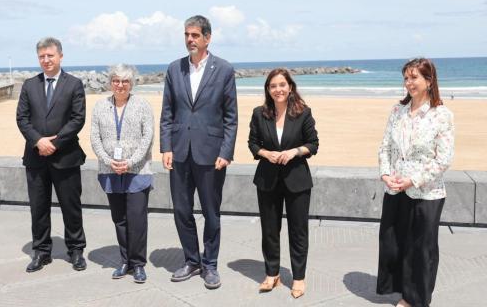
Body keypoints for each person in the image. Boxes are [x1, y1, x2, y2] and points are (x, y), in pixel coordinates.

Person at [160, 15, 238, 289]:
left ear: (207, 37)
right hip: (179, 153)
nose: (190, 40)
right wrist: (166, 146)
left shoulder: (224, 70)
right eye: (186, 35)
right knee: (181, 210)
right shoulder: (174, 69)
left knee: (211, 213)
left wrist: (226, 151)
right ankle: (192, 261)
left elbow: (231, 117)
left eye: (194, 35)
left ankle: (211, 265)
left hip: (211, 155)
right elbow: (167, 112)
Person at [376, 58, 455, 307]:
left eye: (414, 77)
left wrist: (413, 180)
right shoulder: (397, 111)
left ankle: (416, 299)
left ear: (429, 81)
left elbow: (444, 159)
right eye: (406, 77)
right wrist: (385, 173)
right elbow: (385, 147)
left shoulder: (441, 115)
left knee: (421, 248)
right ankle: (402, 290)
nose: (409, 82)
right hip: (395, 188)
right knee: (394, 242)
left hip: (426, 192)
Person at [16, 37, 87, 273]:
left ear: (60, 56)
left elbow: (78, 119)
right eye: (42, 57)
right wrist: (38, 141)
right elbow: (22, 119)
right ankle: (41, 252)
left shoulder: (74, 84)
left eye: (50, 56)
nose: (46, 60)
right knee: (38, 207)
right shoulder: (29, 85)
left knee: (71, 206)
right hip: (36, 158)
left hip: (65, 157)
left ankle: (76, 250)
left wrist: (54, 143)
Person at [247, 68, 319, 299]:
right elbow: (253, 144)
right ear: (268, 90)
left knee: (298, 231)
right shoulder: (260, 113)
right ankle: (272, 274)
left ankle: (298, 278)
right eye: (273, 86)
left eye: (281, 85)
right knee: (269, 230)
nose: (278, 89)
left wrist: (294, 152)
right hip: (267, 180)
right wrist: (266, 154)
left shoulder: (303, 113)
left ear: (290, 87)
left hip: (297, 180)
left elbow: (313, 144)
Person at [90, 64, 154, 283]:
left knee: (137, 220)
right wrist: (109, 161)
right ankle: (125, 260)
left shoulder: (142, 105)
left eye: (125, 81)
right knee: (119, 219)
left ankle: (138, 264)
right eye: (116, 80)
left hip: (137, 171)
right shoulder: (100, 106)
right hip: (109, 171)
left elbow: (148, 138)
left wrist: (130, 162)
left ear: (131, 84)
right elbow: (95, 139)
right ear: (110, 83)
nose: (120, 85)